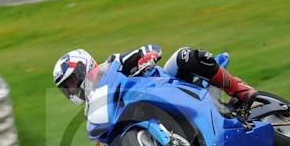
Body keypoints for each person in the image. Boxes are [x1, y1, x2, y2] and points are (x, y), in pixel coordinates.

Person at [52, 45, 257, 109]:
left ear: (83, 67)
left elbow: (149, 48)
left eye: (71, 81)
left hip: (166, 82)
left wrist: (148, 58)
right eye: (67, 87)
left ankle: (238, 89)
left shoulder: (113, 63)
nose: (72, 88)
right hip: (152, 111)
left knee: (185, 56)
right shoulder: (93, 108)